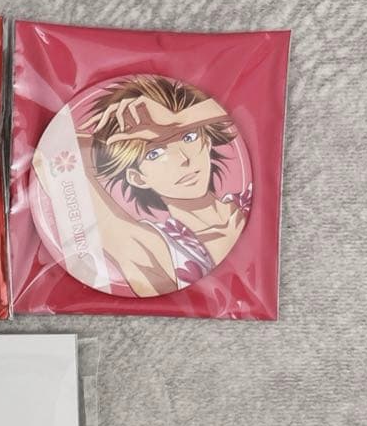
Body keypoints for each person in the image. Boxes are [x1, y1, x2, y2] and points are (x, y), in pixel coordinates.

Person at [37, 74, 250, 296]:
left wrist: (177, 119)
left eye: (188, 137)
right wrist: (101, 142)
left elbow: (241, 111)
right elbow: (51, 151)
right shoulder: (155, 248)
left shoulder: (245, 201)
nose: (183, 159)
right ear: (137, 178)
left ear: (207, 142)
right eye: (154, 153)